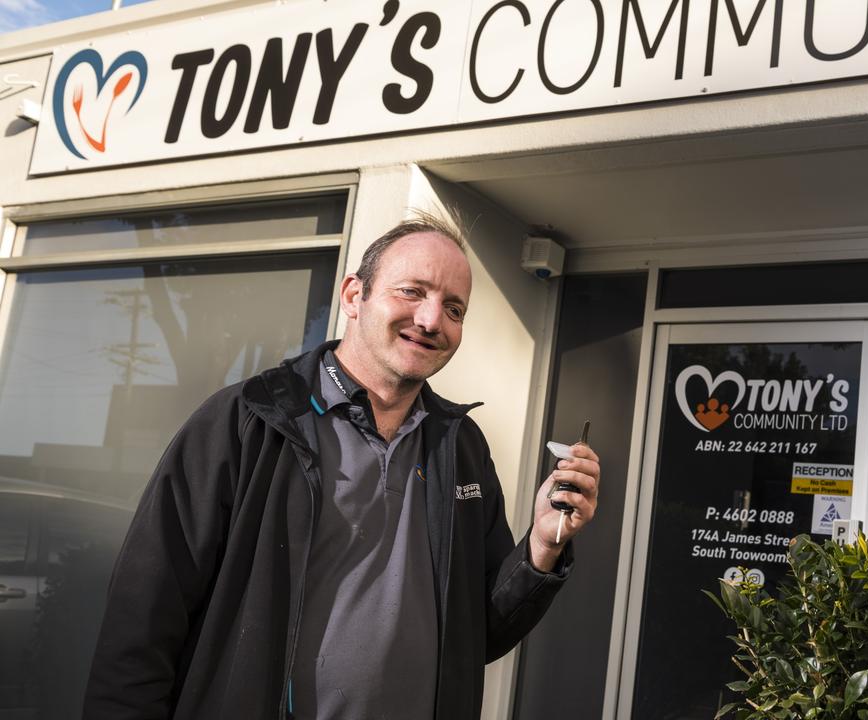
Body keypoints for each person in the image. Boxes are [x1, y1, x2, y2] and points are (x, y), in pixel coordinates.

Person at [82, 212, 600, 720]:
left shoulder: (459, 445)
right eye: (412, 291)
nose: (431, 320)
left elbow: (475, 635)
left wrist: (542, 547)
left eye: (454, 309)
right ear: (355, 295)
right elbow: (143, 617)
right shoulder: (250, 420)